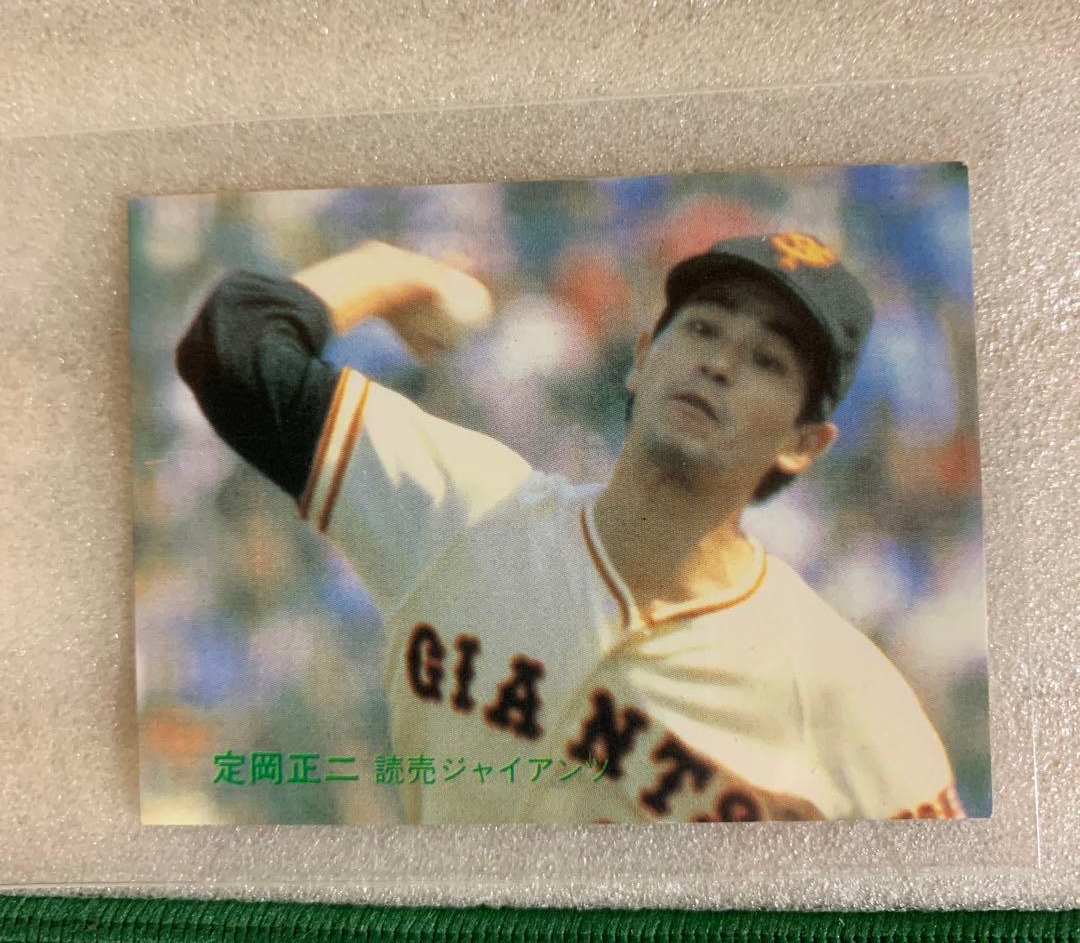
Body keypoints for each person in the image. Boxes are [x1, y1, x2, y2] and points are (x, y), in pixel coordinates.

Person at [176, 230, 964, 823]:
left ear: (803, 444)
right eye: (702, 328)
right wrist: (395, 273)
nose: (720, 363)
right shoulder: (471, 514)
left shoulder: (845, 696)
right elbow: (232, 347)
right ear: (642, 358)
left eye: (768, 361)